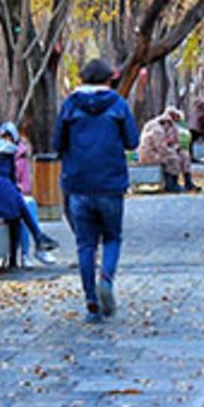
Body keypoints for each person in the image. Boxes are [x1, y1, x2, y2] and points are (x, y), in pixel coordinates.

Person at [56, 59, 140, 320]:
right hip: (110, 184)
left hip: (78, 185)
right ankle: (106, 278)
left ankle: (91, 304)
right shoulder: (118, 105)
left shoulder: (70, 105)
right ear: (108, 79)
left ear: (81, 79)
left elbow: (57, 143)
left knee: (85, 244)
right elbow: (132, 141)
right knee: (112, 237)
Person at [0, 119, 52, 267]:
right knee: (16, 215)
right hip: (5, 194)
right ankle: (20, 253)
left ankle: (38, 238)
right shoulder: (7, 150)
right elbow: (12, 176)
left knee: (15, 201)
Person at [2, 123, 61, 261]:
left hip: (17, 195)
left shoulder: (21, 158)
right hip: (6, 197)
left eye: (9, 138)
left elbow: (26, 185)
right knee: (26, 207)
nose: (7, 141)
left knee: (29, 204)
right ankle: (37, 243)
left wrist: (18, 188)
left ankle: (27, 253)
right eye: (4, 138)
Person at [139, 106, 198, 192]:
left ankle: (188, 181)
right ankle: (171, 184)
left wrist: (177, 148)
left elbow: (176, 142)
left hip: (164, 150)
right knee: (172, 158)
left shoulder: (172, 127)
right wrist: (173, 150)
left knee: (184, 155)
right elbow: (160, 147)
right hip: (150, 153)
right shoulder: (156, 128)